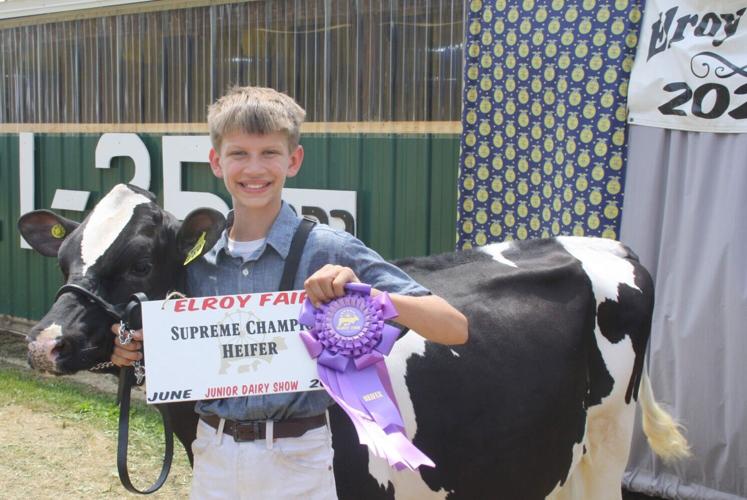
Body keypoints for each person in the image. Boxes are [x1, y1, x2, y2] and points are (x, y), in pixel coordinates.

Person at [111, 86, 468, 499]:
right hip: (212, 454)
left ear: (293, 160)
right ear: (216, 161)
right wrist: (132, 352)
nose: (254, 168)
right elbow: (170, 349)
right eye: (239, 153)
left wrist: (365, 295)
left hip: (299, 459)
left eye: (269, 153)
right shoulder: (194, 259)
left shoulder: (328, 249)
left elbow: (454, 327)